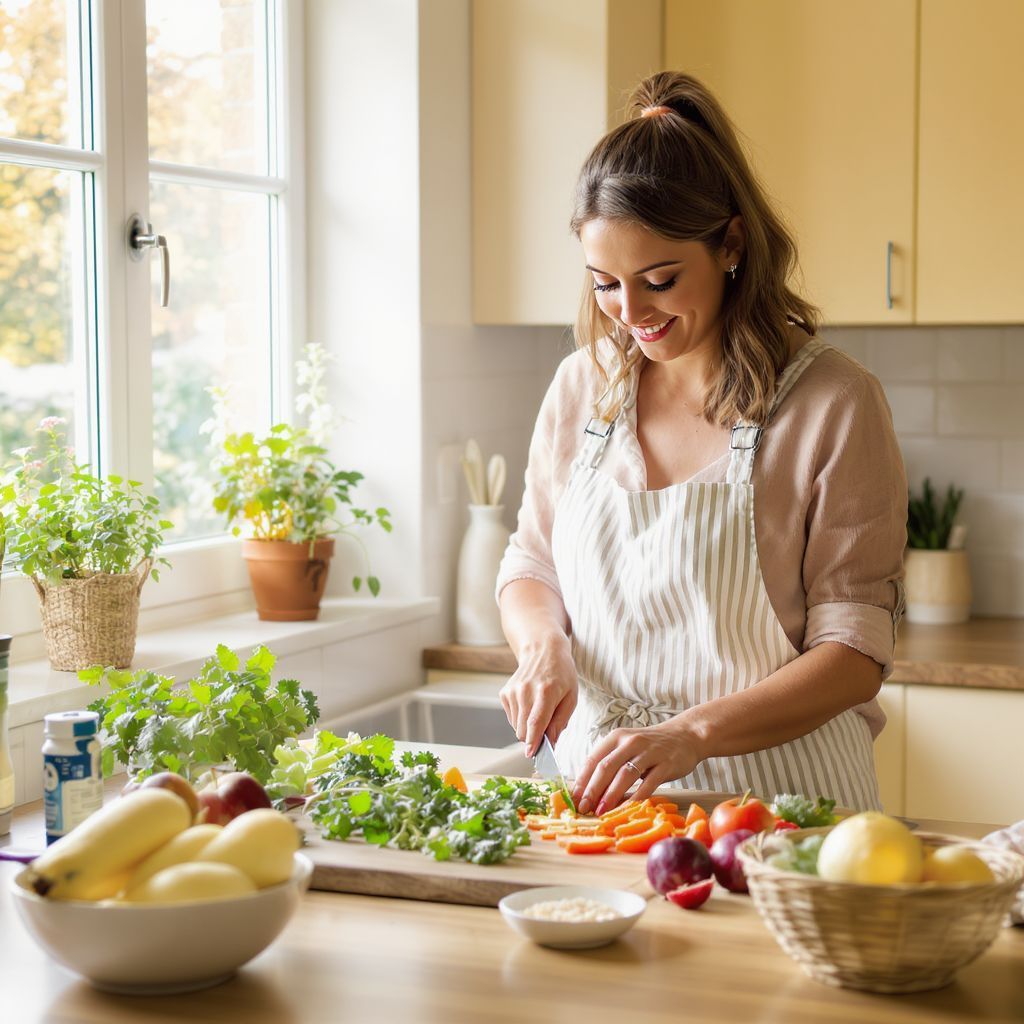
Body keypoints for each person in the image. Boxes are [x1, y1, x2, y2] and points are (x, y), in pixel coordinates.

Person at [495, 71, 907, 817]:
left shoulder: (833, 403)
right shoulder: (579, 387)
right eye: (605, 284)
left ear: (731, 245)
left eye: (658, 279)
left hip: (782, 806)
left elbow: (854, 657)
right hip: (601, 799)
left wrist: (692, 735)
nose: (630, 314)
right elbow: (531, 563)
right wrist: (543, 647)